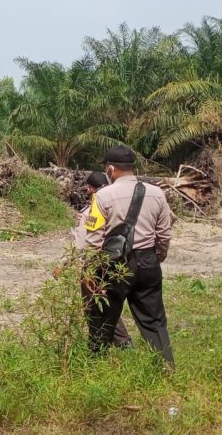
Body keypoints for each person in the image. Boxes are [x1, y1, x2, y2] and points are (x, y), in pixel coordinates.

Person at [85, 145, 174, 366]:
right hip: (148, 261)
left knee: (103, 317)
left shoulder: (102, 196)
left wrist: (89, 269)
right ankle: (165, 367)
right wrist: (156, 258)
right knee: (154, 320)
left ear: (111, 169)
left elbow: (94, 238)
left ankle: (97, 366)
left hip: (113, 264)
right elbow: (164, 234)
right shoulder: (157, 193)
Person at [73, 172, 132, 348]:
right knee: (108, 305)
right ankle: (120, 345)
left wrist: (84, 269)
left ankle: (107, 346)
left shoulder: (90, 211)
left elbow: (84, 243)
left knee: (95, 307)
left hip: (94, 266)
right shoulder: (117, 204)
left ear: (89, 189)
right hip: (118, 262)